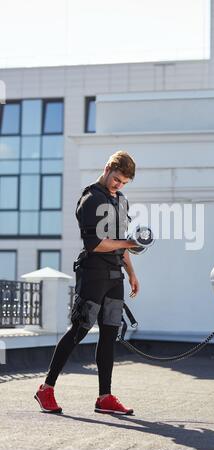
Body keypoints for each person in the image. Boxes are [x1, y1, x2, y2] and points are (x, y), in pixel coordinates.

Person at [34, 151, 139, 415]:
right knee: (79, 330)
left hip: (115, 276)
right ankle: (46, 389)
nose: (119, 186)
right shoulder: (90, 199)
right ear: (107, 169)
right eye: (117, 179)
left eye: (124, 183)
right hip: (93, 273)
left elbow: (121, 239)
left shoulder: (121, 200)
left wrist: (132, 273)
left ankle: (105, 397)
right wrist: (127, 244)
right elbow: (94, 244)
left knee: (109, 335)